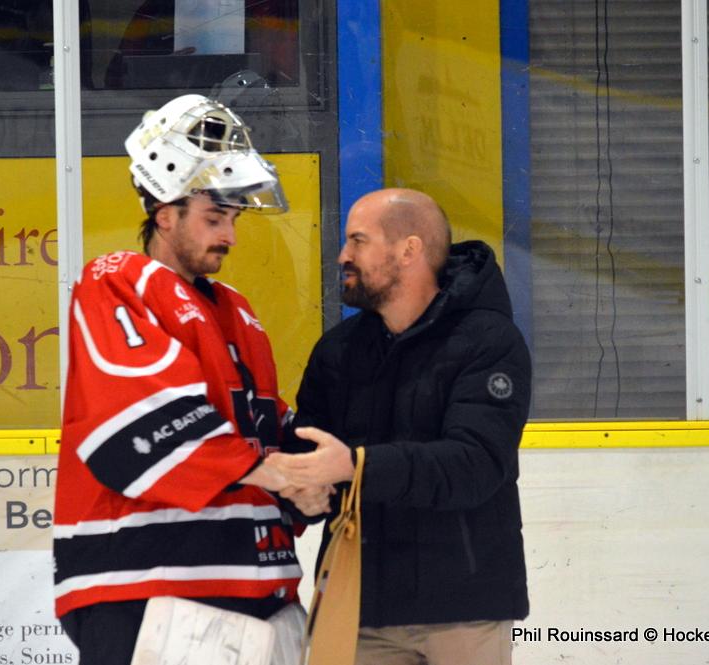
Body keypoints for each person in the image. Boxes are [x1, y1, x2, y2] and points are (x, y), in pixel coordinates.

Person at [52, 94, 329, 665]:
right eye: (213, 218)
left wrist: (312, 481)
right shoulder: (118, 282)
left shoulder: (237, 310)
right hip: (151, 590)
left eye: (233, 219)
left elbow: (259, 428)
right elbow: (141, 420)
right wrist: (280, 473)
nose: (229, 235)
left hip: (258, 592)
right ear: (165, 213)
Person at [268, 188, 532, 665]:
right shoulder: (338, 350)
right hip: (358, 609)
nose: (343, 256)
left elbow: (474, 464)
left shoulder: (489, 341)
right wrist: (304, 492)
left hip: (464, 612)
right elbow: (310, 455)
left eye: (358, 241)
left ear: (409, 250)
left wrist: (355, 466)